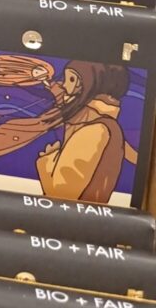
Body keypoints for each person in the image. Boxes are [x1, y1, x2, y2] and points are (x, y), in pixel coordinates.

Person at [36, 61, 129, 203]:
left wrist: (47, 160)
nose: (64, 85)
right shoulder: (95, 124)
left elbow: (61, 193)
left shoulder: (95, 129)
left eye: (72, 79)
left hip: (71, 215)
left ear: (89, 84)